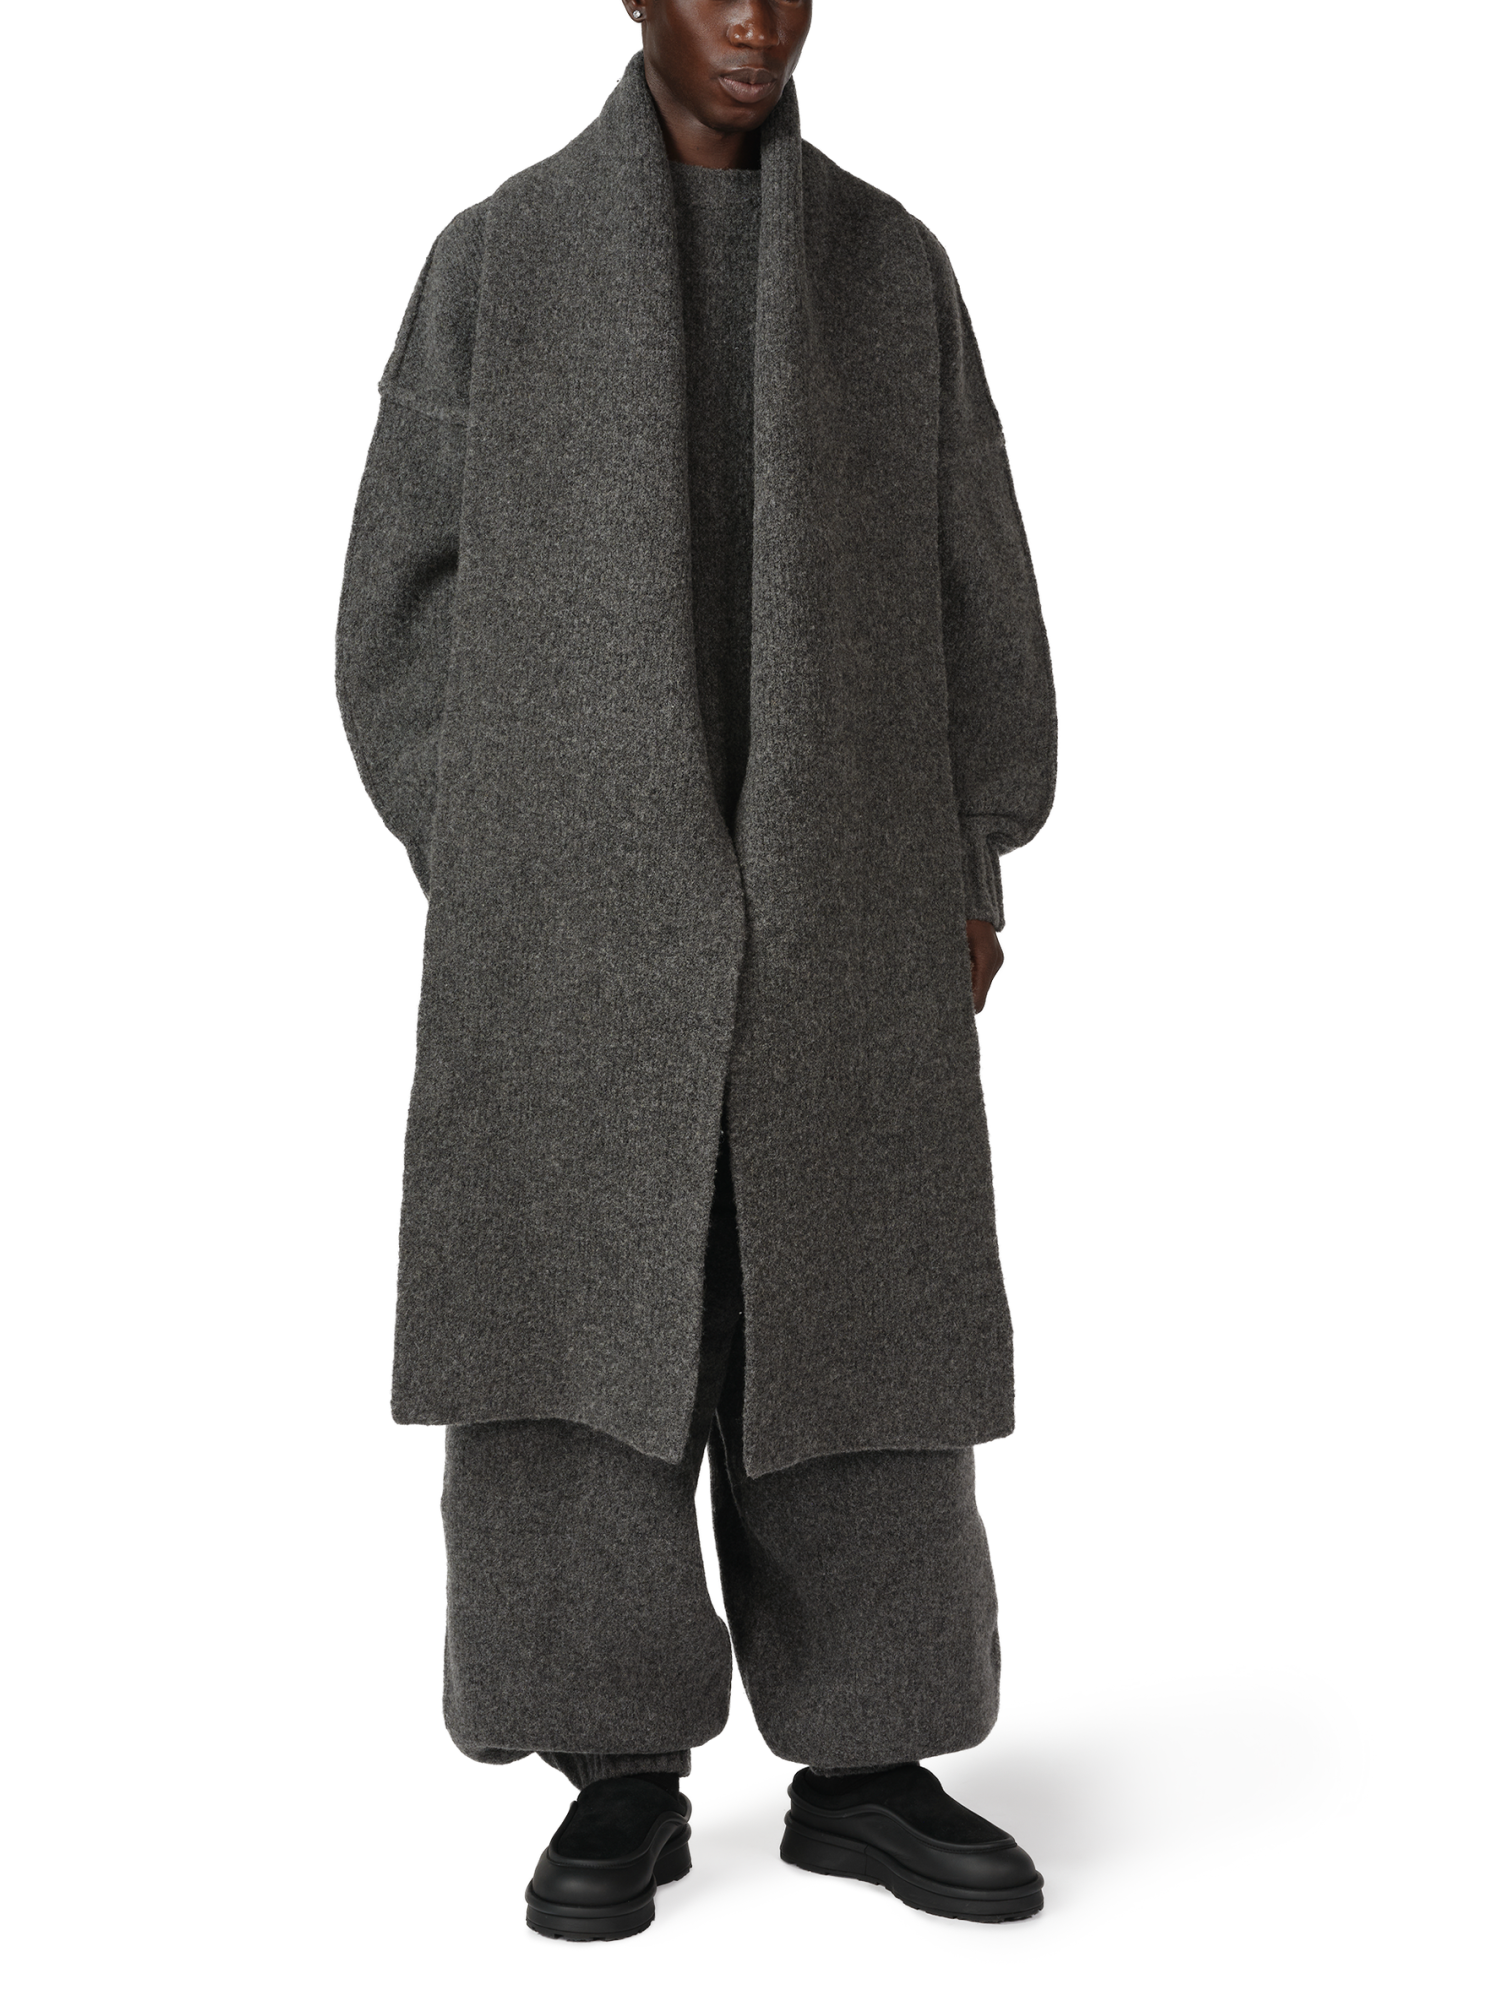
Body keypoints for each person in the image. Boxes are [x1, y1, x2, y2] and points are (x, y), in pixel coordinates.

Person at [337, 0, 1056, 1940]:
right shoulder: (499, 262)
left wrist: (973, 846)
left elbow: (973, 571)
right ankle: (612, 1769)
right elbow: (393, 605)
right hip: (569, 921)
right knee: (578, 1320)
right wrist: (509, 854)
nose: (753, 19)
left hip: (847, 896)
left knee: (853, 1308)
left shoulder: (886, 270)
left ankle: (870, 1765)